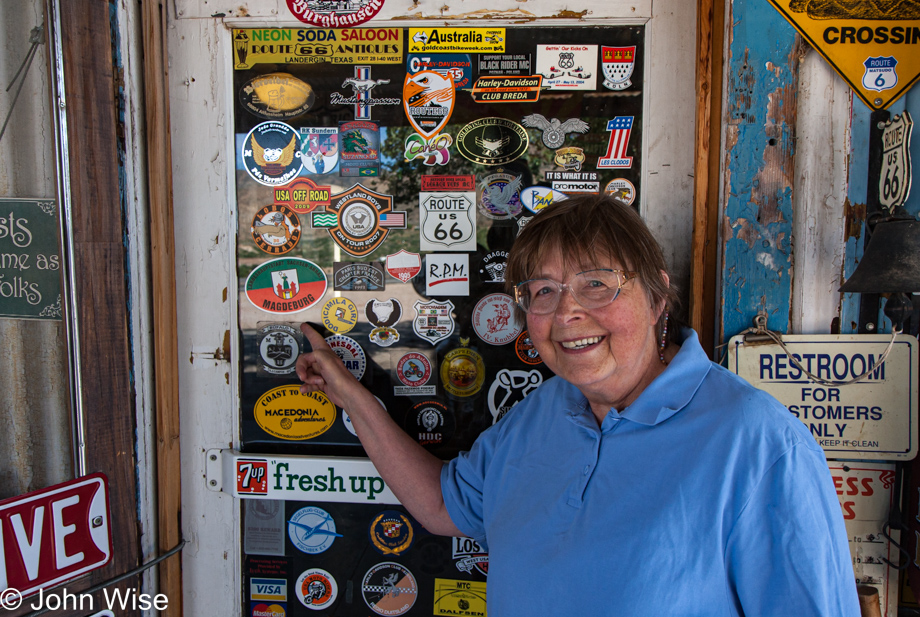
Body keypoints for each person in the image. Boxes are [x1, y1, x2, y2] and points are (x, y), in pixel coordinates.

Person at [297, 194, 860, 616]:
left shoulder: (757, 442)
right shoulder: (544, 412)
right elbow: (446, 507)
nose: (565, 312)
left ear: (658, 296)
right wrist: (354, 398)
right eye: (542, 291)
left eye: (596, 284)